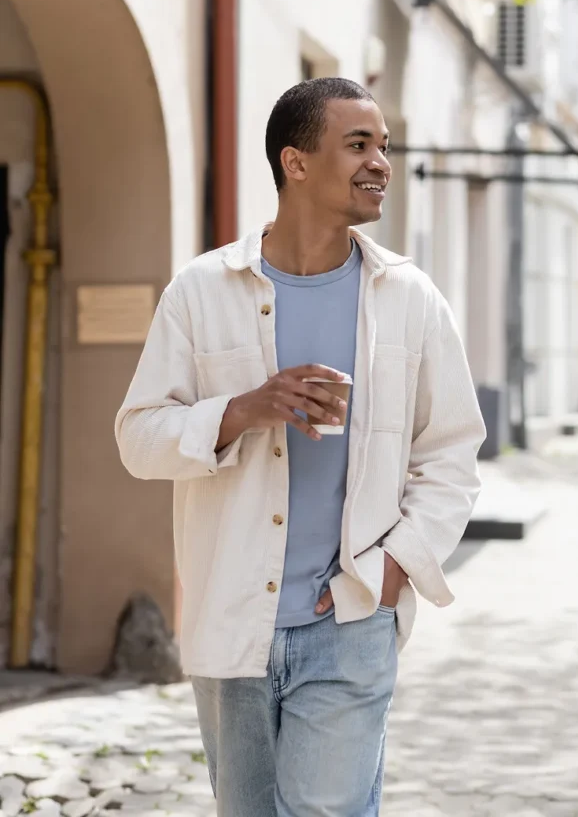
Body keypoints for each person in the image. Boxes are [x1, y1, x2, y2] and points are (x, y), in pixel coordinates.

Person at [115, 77, 485, 817]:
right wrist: (246, 410)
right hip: (232, 621)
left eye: (384, 146)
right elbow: (139, 440)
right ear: (297, 162)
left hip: (350, 619)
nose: (381, 161)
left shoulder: (410, 299)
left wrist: (391, 572)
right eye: (358, 145)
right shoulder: (202, 290)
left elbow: (450, 455)